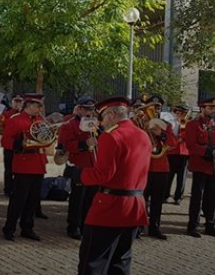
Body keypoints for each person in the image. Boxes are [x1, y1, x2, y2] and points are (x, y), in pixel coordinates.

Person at [77, 96, 151, 275]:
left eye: (102, 117)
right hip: (135, 206)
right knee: (121, 262)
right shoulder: (143, 134)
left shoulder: (111, 136)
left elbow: (104, 174)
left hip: (110, 207)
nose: (101, 123)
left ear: (111, 115)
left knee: (93, 263)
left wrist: (82, 175)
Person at [1, 94, 48, 241]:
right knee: (18, 200)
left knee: (33, 200)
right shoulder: (16, 120)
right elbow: (5, 141)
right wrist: (20, 144)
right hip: (24, 163)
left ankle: (27, 228)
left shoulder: (41, 120)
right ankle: (9, 228)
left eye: (40, 106)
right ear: (29, 106)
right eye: (38, 106)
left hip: (38, 163)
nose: (40, 109)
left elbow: (47, 140)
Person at [59, 96, 99, 239]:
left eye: (92, 109)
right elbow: (65, 146)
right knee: (78, 198)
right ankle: (73, 226)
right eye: (86, 109)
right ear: (79, 109)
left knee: (91, 198)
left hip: (93, 165)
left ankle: (86, 225)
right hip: (79, 165)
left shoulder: (96, 124)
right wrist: (84, 144)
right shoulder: (70, 124)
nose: (89, 112)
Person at [185, 97, 215, 238]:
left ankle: (210, 226)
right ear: (202, 108)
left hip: (214, 167)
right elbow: (191, 146)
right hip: (199, 166)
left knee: (212, 197)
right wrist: (210, 151)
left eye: (214, 108)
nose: (213, 110)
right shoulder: (192, 125)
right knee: (197, 198)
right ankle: (193, 226)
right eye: (210, 108)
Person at [143, 118, 177, 240]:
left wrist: (161, 134)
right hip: (144, 167)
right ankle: (138, 227)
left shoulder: (164, 125)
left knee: (157, 201)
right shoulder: (140, 124)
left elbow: (173, 143)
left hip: (161, 168)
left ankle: (154, 228)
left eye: (157, 107)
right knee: (142, 199)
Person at [165, 105, 191, 205]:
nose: (179, 114)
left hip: (183, 153)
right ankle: (165, 195)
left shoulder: (187, 123)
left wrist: (183, 124)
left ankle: (178, 197)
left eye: (182, 113)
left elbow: (187, 135)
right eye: (178, 112)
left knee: (182, 177)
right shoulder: (170, 122)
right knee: (168, 176)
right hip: (171, 152)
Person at [1, 94, 24, 197]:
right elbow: (2, 125)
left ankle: (17, 188)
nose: (18, 104)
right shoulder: (7, 114)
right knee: (9, 169)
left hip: (22, 145)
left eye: (20, 101)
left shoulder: (25, 114)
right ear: (12, 103)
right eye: (16, 101)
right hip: (10, 145)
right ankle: (8, 189)